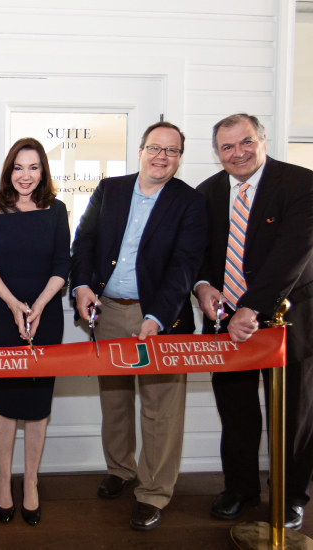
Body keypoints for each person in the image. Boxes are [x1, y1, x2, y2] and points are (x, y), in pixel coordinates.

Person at [195, 113, 313, 531]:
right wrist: (204, 287)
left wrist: (249, 309)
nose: (237, 153)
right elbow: (200, 255)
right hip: (227, 322)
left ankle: (292, 495)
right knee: (236, 411)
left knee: (293, 413)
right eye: (227, 147)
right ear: (217, 152)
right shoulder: (206, 194)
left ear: (262, 139)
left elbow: (291, 256)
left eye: (245, 142)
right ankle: (240, 489)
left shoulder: (302, 183)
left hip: (291, 318)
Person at [70, 121, 207, 531]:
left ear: (180, 157)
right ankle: (121, 470)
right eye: (155, 148)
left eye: (172, 151)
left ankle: (153, 492)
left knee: (160, 409)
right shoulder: (110, 189)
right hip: (109, 311)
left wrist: (157, 317)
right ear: (141, 150)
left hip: (161, 318)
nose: (162, 156)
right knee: (113, 402)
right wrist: (80, 286)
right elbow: (84, 242)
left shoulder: (190, 202)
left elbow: (185, 266)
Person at [0, 137, 70, 526]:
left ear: (43, 171)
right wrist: (15, 304)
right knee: (5, 405)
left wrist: (39, 305)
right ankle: (3, 481)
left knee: (36, 406)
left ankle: (30, 482)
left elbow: (62, 264)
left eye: (33, 167)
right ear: (8, 170)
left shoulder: (57, 209)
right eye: (18, 167)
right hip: (2, 314)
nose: (25, 175)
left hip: (45, 316)